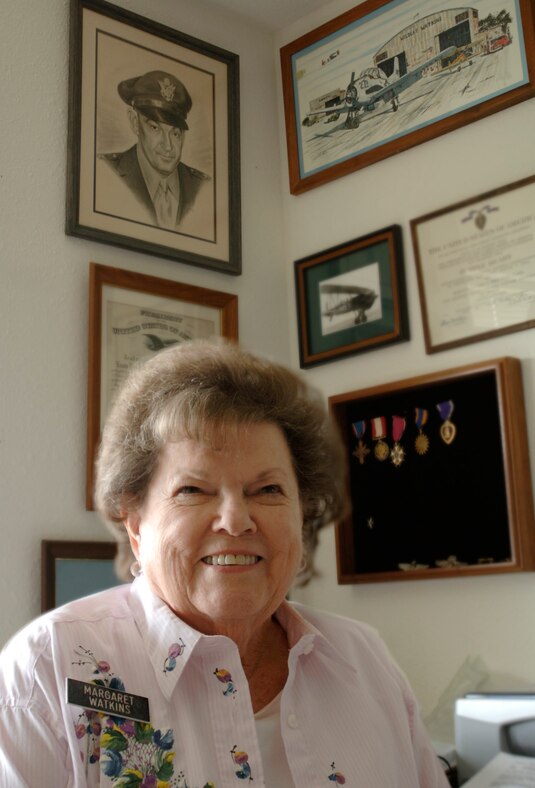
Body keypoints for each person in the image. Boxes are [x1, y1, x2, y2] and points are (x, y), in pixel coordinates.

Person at [0, 340, 449, 787]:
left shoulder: (364, 661)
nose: (236, 521)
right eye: (193, 490)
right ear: (135, 525)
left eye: (268, 490)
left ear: (301, 515)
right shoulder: (47, 670)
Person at [99, 70, 210, 231]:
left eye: (175, 133)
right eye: (155, 128)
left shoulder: (203, 187)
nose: (168, 146)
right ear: (135, 122)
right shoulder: (105, 172)